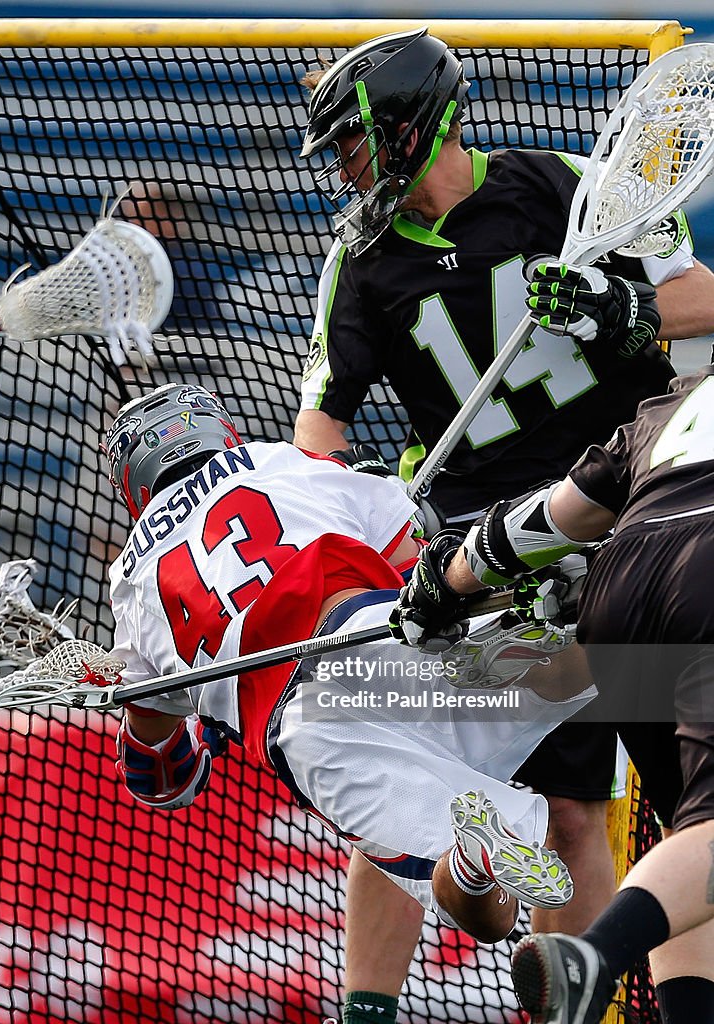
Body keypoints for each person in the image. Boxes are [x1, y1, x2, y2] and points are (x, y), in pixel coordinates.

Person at [293, 27, 714, 1022]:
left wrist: (619, 309)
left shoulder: (555, 186)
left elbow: (698, 300)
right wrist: (336, 521)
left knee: (585, 809)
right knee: (408, 786)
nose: (346, 172)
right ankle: (367, 1013)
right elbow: (317, 432)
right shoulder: (357, 262)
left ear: (403, 127)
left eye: (351, 145)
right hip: (475, 560)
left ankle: (580, 1006)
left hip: (609, 526)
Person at [101, 380, 603, 954]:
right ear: (216, 428)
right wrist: (371, 484)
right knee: (605, 666)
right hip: (371, 633)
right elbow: (415, 554)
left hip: (306, 733)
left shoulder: (131, 584)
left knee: (486, 915)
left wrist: (205, 725)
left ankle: (470, 859)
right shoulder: (282, 460)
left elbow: (163, 782)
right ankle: (559, 599)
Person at [390, 365, 714, 1023]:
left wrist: (445, 582)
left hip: (622, 592)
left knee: (696, 838)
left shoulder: (683, 399)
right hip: (705, 578)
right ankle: (590, 958)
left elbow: (550, 517)